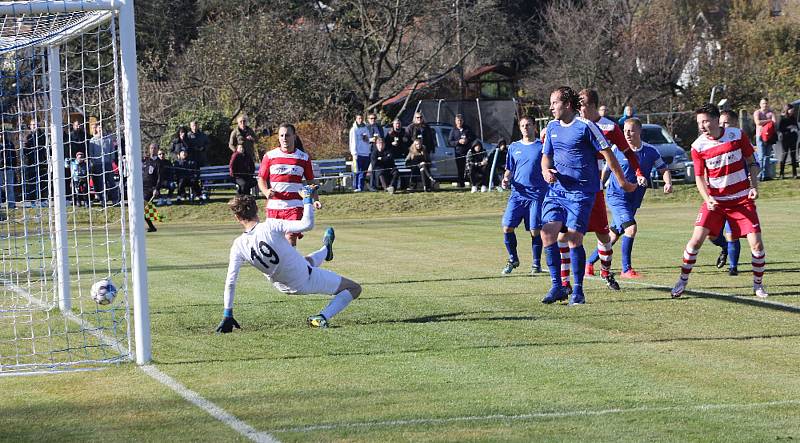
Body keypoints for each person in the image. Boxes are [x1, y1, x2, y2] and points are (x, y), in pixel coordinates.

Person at [539, 86, 636, 306]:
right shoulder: (552, 127)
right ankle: (558, 286)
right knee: (547, 233)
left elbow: (608, 154)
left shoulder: (586, 127)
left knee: (574, 238)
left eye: (554, 102)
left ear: (567, 104)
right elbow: (546, 157)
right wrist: (546, 171)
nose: (551, 107)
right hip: (557, 192)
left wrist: (622, 182)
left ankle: (578, 291)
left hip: (581, 193)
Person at [215, 191, 361, 331]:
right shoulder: (270, 225)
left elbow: (231, 281)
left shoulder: (238, 245)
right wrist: (307, 200)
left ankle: (325, 250)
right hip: (305, 279)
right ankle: (321, 317)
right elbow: (307, 224)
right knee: (354, 288)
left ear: (237, 217)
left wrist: (227, 313)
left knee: (303, 261)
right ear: (257, 209)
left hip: (281, 285)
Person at [671, 103, 767, 298]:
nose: (702, 126)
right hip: (715, 201)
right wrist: (708, 198)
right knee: (696, 241)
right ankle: (682, 280)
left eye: (705, 121)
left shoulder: (737, 135)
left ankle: (758, 285)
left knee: (756, 245)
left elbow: (752, 162)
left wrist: (753, 187)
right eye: (699, 122)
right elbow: (699, 177)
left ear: (716, 119)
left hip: (741, 200)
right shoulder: (698, 146)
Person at [577, 89, 646, 290]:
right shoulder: (574, 125)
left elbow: (628, 153)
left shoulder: (609, 127)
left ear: (590, 106)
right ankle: (566, 284)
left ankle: (605, 271)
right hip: (572, 190)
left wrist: (638, 172)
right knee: (568, 235)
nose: (578, 110)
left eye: (581, 106)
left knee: (604, 236)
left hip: (596, 190)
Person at [587, 118, 672, 278]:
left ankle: (589, 263)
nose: (627, 133)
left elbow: (663, 169)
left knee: (612, 235)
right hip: (616, 197)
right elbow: (606, 171)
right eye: (624, 130)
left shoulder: (651, 151)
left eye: (631, 130)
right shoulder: (616, 149)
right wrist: (599, 189)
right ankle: (626, 269)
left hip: (634, 199)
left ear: (640, 132)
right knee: (630, 229)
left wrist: (668, 183)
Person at [257, 123, 320, 246]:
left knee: (290, 236)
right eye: (281, 135)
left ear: (294, 137)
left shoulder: (303, 158)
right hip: (275, 206)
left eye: (287, 135)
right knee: (275, 243)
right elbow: (261, 179)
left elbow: (311, 182)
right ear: (278, 138)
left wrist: (316, 199)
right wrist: (265, 191)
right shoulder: (270, 156)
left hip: (295, 205)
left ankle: (291, 265)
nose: (284, 138)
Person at [499, 116, 547, 275]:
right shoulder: (514, 147)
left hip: (537, 195)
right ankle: (513, 258)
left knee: (535, 230)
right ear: (519, 128)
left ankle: (536, 263)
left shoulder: (542, 147)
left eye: (528, 125)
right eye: (522, 125)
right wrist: (505, 179)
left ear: (534, 127)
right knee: (507, 227)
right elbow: (510, 169)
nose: (525, 128)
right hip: (518, 195)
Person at [709, 110, 745, 276]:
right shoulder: (711, 144)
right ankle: (724, 248)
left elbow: (753, 164)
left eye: (726, 123)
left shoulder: (739, 142)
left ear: (735, 125)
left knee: (732, 234)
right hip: (716, 198)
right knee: (711, 234)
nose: (722, 126)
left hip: (736, 197)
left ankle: (733, 268)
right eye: (720, 123)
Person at [87, 122, 118, 205]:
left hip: (107, 163)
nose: (100, 129)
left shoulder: (108, 139)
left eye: (101, 128)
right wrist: (93, 162)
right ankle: (102, 199)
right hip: (97, 164)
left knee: (111, 182)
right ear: (96, 129)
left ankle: (115, 199)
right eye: (99, 128)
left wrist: (111, 160)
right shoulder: (92, 140)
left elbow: (112, 151)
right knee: (99, 183)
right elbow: (91, 152)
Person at [23, 119, 48, 204]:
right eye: (33, 125)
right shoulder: (28, 137)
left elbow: (45, 147)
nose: (35, 126)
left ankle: (43, 200)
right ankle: (33, 201)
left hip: (41, 162)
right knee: (32, 182)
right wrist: (31, 157)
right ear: (30, 126)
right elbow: (25, 150)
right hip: (31, 163)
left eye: (36, 125)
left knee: (43, 182)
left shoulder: (42, 135)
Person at [753, 98, 778, 181]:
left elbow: (774, 122)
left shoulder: (771, 112)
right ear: (760, 104)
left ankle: (766, 175)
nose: (765, 105)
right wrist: (768, 121)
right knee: (761, 156)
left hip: (769, 137)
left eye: (766, 103)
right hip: (760, 136)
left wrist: (767, 121)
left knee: (767, 156)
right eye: (763, 103)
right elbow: (757, 122)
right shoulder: (757, 112)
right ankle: (760, 175)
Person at [448, 114, 475, 188]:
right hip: (458, 153)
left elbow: (473, 137)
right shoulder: (453, 130)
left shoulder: (467, 129)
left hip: (468, 152)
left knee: (470, 168)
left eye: (460, 120)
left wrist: (467, 140)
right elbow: (450, 142)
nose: (459, 122)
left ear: (463, 121)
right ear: (455, 121)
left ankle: (473, 184)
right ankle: (461, 184)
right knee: (460, 169)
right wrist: (458, 142)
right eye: (458, 120)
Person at [348, 114, 371, 192]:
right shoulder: (354, 129)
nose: (360, 120)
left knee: (364, 171)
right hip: (358, 153)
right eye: (359, 118)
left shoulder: (366, 128)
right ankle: (357, 187)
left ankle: (361, 186)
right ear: (356, 119)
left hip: (366, 152)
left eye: (361, 118)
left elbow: (368, 140)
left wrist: (366, 138)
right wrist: (354, 153)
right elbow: (352, 142)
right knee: (358, 170)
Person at [141, 143, 161, 232]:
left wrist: (156, 189)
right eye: (151, 148)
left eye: (155, 148)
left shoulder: (159, 163)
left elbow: (160, 177)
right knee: (144, 209)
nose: (153, 150)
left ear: (157, 150)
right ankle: (152, 226)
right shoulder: (146, 161)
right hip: (142, 188)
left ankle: (152, 225)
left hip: (150, 189)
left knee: (143, 208)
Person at [777, 103, 798, 179]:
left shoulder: (793, 118)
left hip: (793, 138)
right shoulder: (782, 118)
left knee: (793, 156)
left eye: (793, 110)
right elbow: (779, 129)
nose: (792, 111)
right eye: (791, 110)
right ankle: (781, 174)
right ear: (787, 110)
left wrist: (794, 127)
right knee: (784, 155)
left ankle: (794, 174)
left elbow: (797, 127)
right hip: (785, 139)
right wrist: (788, 128)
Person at [0, 131, 17, 207]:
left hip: (9, 168)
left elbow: (14, 156)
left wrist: (14, 167)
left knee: (10, 187)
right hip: (0, 168)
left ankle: (12, 204)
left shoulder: (10, 144)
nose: (1, 136)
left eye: (2, 134)